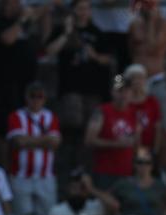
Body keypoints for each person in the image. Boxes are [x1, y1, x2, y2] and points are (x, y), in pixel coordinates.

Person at [44, 0, 113, 154]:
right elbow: (49, 51)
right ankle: (70, 159)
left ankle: (84, 165)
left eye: (87, 8)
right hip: (69, 87)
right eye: (80, 8)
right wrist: (66, 33)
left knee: (89, 128)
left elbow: (109, 60)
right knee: (71, 123)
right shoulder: (61, 30)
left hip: (93, 89)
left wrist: (94, 56)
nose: (83, 12)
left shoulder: (97, 32)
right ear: (73, 10)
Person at [7, 81, 62, 215]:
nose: (36, 100)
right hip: (21, 177)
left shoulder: (51, 117)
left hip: (46, 178)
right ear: (27, 97)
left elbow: (54, 143)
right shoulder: (16, 116)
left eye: (40, 96)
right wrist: (44, 140)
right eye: (33, 96)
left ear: (45, 99)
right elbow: (18, 143)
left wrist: (30, 140)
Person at [0, 0, 42, 147]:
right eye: (15, 2)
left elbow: (42, 11)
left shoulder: (24, 21)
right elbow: (8, 38)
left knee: (24, 126)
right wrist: (22, 19)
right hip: (4, 81)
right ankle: (4, 167)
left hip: (25, 80)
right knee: (3, 127)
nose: (20, 5)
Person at [85, 75, 139, 190]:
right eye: (119, 90)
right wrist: (116, 144)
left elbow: (137, 143)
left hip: (127, 172)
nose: (123, 94)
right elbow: (89, 141)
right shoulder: (102, 111)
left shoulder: (135, 114)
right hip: (105, 172)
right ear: (112, 92)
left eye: (126, 90)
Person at [128, 0, 166, 128]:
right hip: (135, 81)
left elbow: (153, 48)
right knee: (131, 121)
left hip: (156, 80)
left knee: (162, 123)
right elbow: (131, 50)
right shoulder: (134, 25)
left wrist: (151, 22)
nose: (145, 9)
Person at [106, 148, 166, 215]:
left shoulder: (160, 185)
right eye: (140, 162)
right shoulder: (123, 184)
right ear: (134, 164)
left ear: (152, 165)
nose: (143, 166)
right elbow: (106, 197)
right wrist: (114, 211)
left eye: (147, 162)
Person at [124, 63, 163, 155]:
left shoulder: (152, 101)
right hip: (126, 149)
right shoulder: (123, 102)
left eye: (140, 78)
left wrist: (155, 149)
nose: (137, 81)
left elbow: (157, 127)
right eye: (133, 78)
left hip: (147, 150)